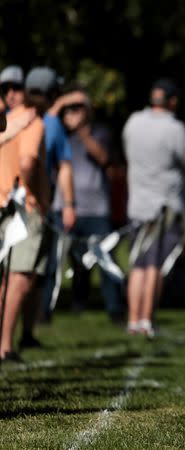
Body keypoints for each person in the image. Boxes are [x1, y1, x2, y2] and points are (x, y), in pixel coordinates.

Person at [41, 85, 124, 322]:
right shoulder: (58, 133)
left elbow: (104, 158)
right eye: (70, 108)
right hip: (64, 207)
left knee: (105, 260)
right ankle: (45, 311)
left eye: (79, 107)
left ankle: (116, 310)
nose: (74, 112)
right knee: (56, 262)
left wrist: (83, 133)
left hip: (96, 209)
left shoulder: (99, 133)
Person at [123, 78, 185, 337]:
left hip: (137, 204)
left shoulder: (132, 122)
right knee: (155, 265)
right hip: (163, 205)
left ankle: (133, 320)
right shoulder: (175, 128)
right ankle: (146, 320)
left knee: (138, 264)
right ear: (172, 101)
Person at [19, 67, 76, 349]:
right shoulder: (49, 123)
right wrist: (66, 204)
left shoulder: (12, 117)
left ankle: (22, 334)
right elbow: (59, 166)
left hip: (11, 202)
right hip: (32, 206)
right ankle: (20, 335)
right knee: (29, 274)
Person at [0, 73, 50, 362]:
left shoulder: (14, 121)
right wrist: (38, 196)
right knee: (19, 279)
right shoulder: (33, 123)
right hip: (24, 208)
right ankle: (5, 346)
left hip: (6, 206)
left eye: (14, 88)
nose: (10, 94)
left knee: (7, 280)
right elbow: (27, 163)